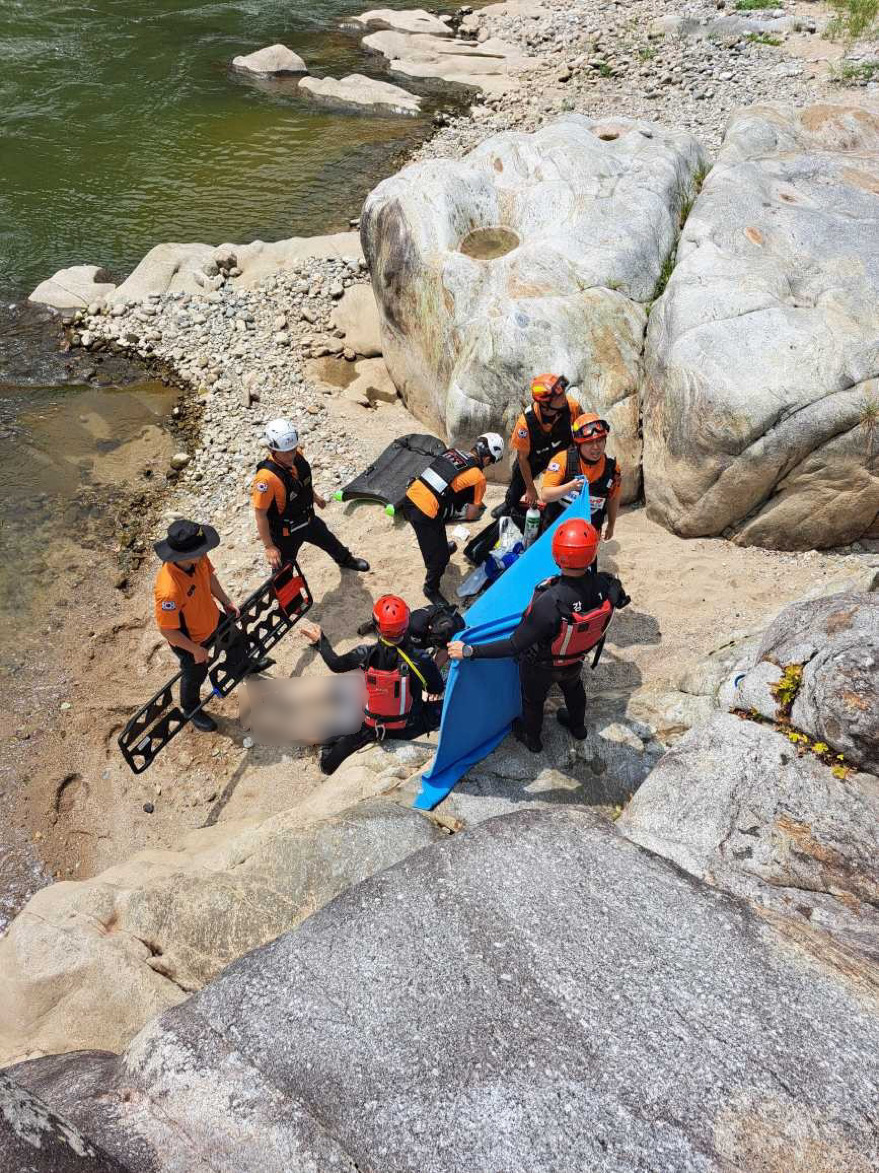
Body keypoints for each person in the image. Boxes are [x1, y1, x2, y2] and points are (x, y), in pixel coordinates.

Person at [448, 518, 629, 753]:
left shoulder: (550, 600)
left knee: (533, 701)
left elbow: (514, 645)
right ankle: (578, 727)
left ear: (556, 555)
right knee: (574, 687)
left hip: (541, 666)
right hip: (575, 659)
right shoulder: (606, 585)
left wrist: (469, 650)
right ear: (592, 553)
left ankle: (532, 739)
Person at [300, 594, 446, 775]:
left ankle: (328, 740)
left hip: (372, 726)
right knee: (444, 706)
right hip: (409, 724)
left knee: (327, 766)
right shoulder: (421, 658)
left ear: (377, 627)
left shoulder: (365, 653)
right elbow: (436, 688)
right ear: (406, 624)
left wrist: (321, 641)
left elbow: (335, 664)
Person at [153, 519, 272, 732]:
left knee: (236, 639)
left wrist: (226, 601)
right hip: (189, 639)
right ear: (183, 555)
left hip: (211, 616)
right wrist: (194, 649)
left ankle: (244, 666)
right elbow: (167, 630)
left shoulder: (198, 559)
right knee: (195, 673)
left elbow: (209, 577)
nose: (205, 551)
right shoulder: (168, 590)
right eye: (201, 550)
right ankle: (190, 708)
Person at [252, 418, 369, 574]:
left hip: (308, 520)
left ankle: (346, 560)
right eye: (285, 452)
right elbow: (260, 513)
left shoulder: (298, 456)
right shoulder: (266, 478)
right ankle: (285, 589)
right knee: (283, 573)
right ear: (271, 448)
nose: (290, 455)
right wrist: (269, 547)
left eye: (292, 449)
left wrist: (315, 497)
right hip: (285, 534)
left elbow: (302, 483)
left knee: (331, 542)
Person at [402, 432, 504, 606]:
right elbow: (471, 514)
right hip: (424, 513)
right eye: (491, 462)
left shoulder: (452, 452)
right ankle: (430, 588)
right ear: (487, 458)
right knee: (440, 560)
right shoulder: (479, 478)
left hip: (410, 497)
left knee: (440, 517)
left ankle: (440, 547)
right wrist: (472, 508)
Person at [493, 373, 582, 520]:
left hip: (563, 454)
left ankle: (563, 509)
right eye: (559, 396)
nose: (564, 398)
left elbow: (582, 430)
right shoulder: (525, 424)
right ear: (545, 404)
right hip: (535, 456)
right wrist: (530, 488)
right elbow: (522, 458)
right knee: (518, 478)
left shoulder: (572, 406)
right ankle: (510, 503)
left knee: (570, 482)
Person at [539, 413, 621, 545]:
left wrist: (611, 525)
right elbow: (545, 495)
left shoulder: (612, 469)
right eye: (589, 442)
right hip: (555, 535)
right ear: (578, 444)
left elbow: (613, 498)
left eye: (599, 440)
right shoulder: (562, 460)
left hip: (587, 540)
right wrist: (570, 487)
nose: (596, 447)